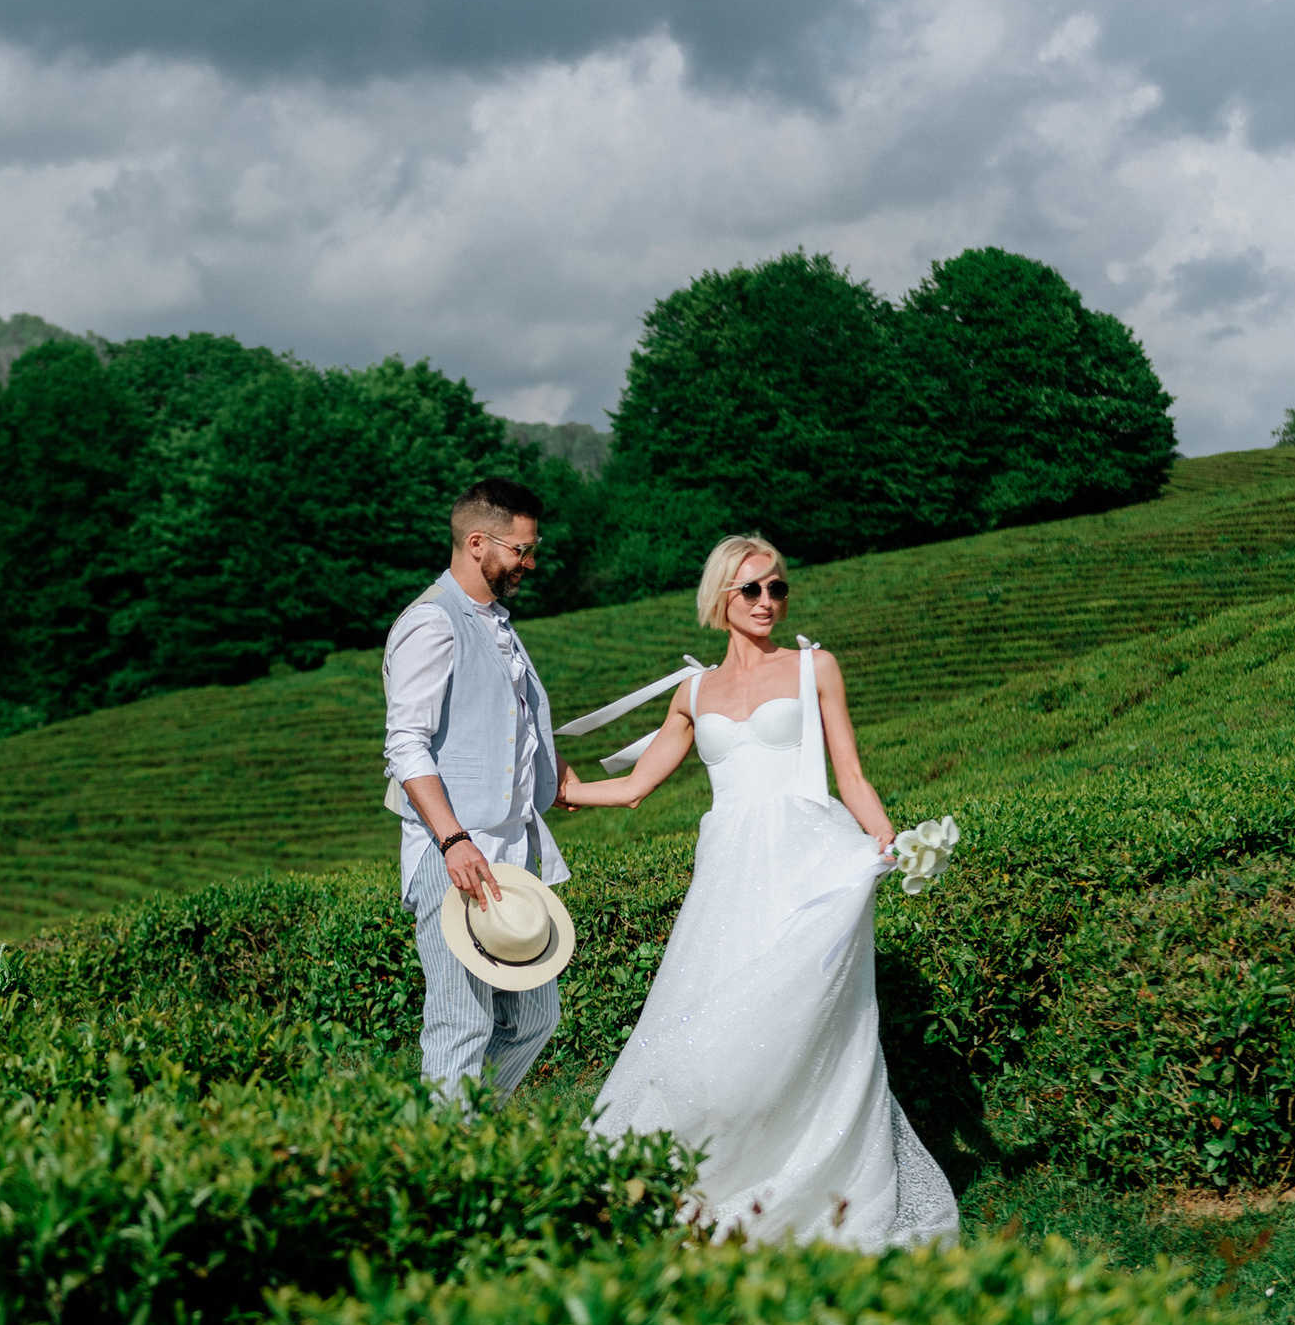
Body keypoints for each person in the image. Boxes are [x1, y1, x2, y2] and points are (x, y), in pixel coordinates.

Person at [556, 533, 958, 1250]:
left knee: (798, 1024)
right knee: (713, 1026)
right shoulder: (693, 690)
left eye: (778, 588)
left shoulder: (814, 666)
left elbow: (852, 776)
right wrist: (572, 791)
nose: (768, 601)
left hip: (808, 863)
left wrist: (893, 843)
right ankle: (705, 1175)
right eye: (753, 590)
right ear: (721, 599)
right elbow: (640, 784)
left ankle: (812, 1186)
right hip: (728, 877)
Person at [382, 477, 583, 1101]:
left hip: (512, 857)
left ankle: (465, 1140)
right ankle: (445, 1170)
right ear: (476, 542)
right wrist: (453, 840)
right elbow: (405, 744)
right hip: (455, 855)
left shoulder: (497, 624)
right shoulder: (431, 623)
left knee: (534, 1019)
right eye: (521, 549)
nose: (530, 560)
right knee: (460, 1022)